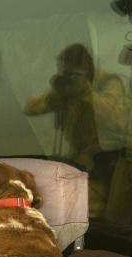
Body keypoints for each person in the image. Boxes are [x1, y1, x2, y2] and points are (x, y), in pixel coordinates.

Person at [24, 43, 129, 216]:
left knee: (89, 213)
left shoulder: (107, 82)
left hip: (106, 164)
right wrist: (56, 94)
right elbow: (30, 109)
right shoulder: (69, 88)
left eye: (73, 73)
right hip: (79, 161)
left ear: (87, 69)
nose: (69, 78)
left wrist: (87, 92)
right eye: (65, 72)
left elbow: (116, 119)